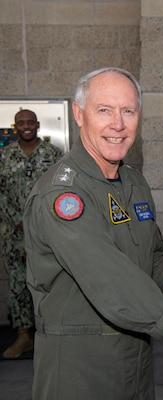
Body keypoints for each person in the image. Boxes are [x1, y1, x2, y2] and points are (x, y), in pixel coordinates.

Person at [23, 67, 163, 400]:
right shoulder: (63, 196)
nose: (118, 123)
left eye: (128, 111)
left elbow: (152, 259)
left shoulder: (133, 182)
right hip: (79, 367)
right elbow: (116, 287)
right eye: (105, 110)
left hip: (136, 358)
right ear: (79, 114)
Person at [0, 109, 63, 358]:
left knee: (49, 282)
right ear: (15, 127)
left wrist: (38, 221)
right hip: (13, 234)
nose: (26, 126)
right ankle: (24, 335)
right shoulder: (4, 155)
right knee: (17, 285)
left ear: (37, 125)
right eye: (20, 123)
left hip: (46, 234)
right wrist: (18, 219)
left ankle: (49, 334)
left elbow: (62, 190)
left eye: (30, 122)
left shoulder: (53, 154)